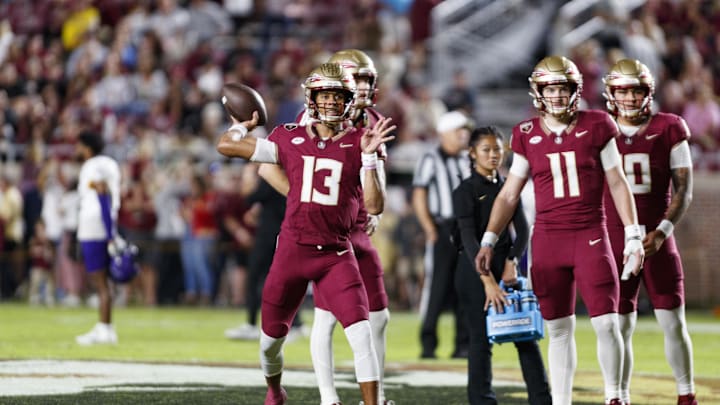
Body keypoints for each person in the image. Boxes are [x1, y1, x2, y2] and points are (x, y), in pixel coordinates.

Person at [216, 62, 395, 405]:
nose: (329, 103)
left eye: (336, 96)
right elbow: (227, 146)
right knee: (270, 342)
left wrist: (370, 160)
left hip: (336, 255)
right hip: (293, 253)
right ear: (311, 99)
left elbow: (373, 206)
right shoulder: (288, 136)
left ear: (347, 101)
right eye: (324, 96)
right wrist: (242, 127)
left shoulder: (361, 141)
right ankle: (274, 389)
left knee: (361, 335)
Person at [476, 56, 644, 405]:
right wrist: (490, 238)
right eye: (550, 87)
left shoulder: (598, 124)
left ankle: (616, 396)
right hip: (548, 239)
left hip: (590, 234)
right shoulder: (526, 134)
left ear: (574, 90)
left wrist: (632, 233)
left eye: (562, 87)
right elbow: (509, 193)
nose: (555, 94)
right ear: (538, 91)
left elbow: (617, 179)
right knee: (557, 330)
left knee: (607, 323)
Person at [602, 58, 697, 405]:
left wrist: (662, 231)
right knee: (618, 325)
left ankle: (686, 395)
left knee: (673, 321)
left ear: (648, 92)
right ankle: (618, 397)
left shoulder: (669, 127)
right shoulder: (599, 129)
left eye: (636, 90)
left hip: (657, 237)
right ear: (611, 93)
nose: (628, 98)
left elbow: (684, 189)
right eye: (622, 91)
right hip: (615, 239)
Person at [453, 126, 551, 405]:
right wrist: (487, 282)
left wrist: (511, 264)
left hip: (506, 271)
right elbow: (468, 239)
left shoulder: (507, 186)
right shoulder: (464, 190)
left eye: (497, 149)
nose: (493, 155)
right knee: (480, 341)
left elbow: (522, 229)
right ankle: (482, 400)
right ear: (472, 154)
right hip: (473, 275)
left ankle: (542, 399)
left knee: (525, 334)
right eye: (486, 150)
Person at [412, 109, 472, 359]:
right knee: (436, 287)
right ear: (445, 133)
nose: (464, 135)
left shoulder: (468, 158)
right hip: (442, 227)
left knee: (465, 287)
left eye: (465, 131)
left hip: (466, 229)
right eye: (459, 131)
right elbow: (419, 194)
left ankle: (463, 344)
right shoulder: (430, 158)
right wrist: (428, 228)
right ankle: (428, 344)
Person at [74, 130, 122, 345]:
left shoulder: (93, 166)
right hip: (104, 224)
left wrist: (109, 231)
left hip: (94, 226)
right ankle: (106, 326)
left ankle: (104, 329)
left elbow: (102, 194)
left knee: (100, 282)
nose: (77, 150)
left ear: (87, 147)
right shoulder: (109, 163)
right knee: (103, 282)